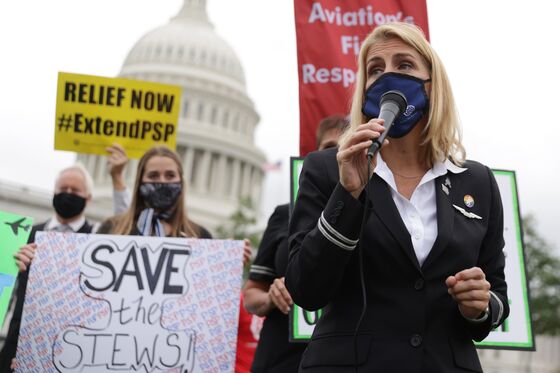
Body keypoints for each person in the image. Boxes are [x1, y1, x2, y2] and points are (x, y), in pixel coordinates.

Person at [285, 23, 509, 372]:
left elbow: (496, 297)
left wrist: (478, 306)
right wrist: (349, 194)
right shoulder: (327, 169)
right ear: (366, 91)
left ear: (431, 86)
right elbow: (305, 289)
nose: (388, 76)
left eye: (404, 65)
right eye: (376, 69)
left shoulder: (476, 181)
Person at [243, 115, 349, 373]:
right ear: (314, 155)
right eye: (329, 148)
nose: (337, 155)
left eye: (344, 146)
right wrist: (270, 297)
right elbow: (251, 294)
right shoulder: (285, 214)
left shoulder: (374, 214)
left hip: (342, 356)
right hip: (282, 357)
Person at [0, 164, 94, 371]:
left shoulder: (96, 242)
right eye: (63, 189)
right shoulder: (25, 235)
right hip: (16, 348)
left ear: (88, 198)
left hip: (73, 351)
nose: (68, 194)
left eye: (75, 190)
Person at [97, 145, 210, 238]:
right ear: (140, 182)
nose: (162, 181)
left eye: (170, 175)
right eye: (153, 176)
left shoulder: (199, 236)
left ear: (181, 181)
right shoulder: (112, 229)